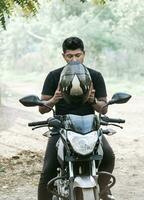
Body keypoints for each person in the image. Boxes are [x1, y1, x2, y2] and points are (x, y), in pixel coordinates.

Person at [38, 37, 115, 200]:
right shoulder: (54, 76)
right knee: (48, 169)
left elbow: (104, 108)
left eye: (78, 55)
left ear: (84, 54)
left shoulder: (95, 75)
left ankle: (102, 190)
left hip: (90, 127)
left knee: (108, 156)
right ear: (63, 56)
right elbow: (42, 108)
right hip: (61, 127)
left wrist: (93, 101)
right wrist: (54, 99)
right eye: (70, 56)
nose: (74, 59)